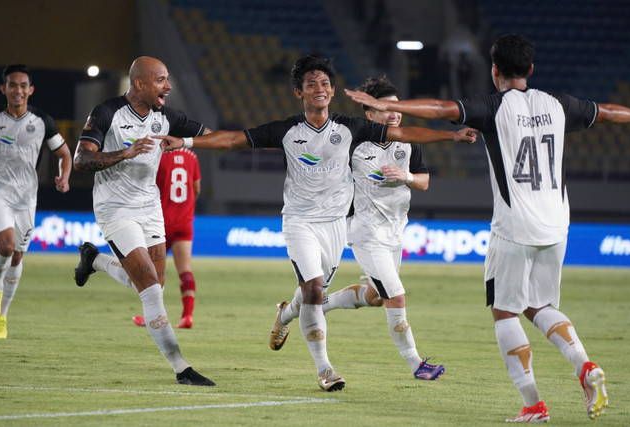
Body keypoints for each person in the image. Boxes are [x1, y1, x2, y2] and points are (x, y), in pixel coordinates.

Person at [345, 33, 630, 421]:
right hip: (558, 223)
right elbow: (610, 112)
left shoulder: (492, 107)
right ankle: (585, 367)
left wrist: (382, 103)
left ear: (494, 69)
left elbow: (440, 107)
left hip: (514, 225)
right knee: (540, 305)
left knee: (505, 312)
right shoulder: (559, 104)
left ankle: (533, 403)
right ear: (531, 69)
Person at [155, 55, 477, 391]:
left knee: (333, 294)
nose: (319, 89)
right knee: (316, 287)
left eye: (324, 83)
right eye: (311, 84)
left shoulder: (350, 128)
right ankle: (326, 369)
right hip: (301, 222)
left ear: (333, 90)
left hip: (336, 225)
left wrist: (451, 138)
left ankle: (286, 313)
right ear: (300, 92)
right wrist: (187, 142)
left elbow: (404, 132)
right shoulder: (287, 130)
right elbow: (233, 140)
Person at [270, 76, 446, 381]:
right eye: (385, 109)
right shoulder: (352, 144)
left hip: (394, 234)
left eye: (396, 109)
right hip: (364, 233)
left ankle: (300, 310)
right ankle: (417, 364)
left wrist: (405, 177)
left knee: (375, 296)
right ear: (369, 114)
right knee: (396, 297)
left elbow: (424, 181)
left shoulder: (407, 143)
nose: (393, 114)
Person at [72, 56, 214, 386]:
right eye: (162, 80)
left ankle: (95, 261)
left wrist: (195, 141)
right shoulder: (107, 112)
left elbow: (211, 136)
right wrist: (124, 152)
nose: (169, 86)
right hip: (115, 209)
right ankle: (182, 369)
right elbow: (81, 159)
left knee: (153, 282)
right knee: (151, 289)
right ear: (140, 84)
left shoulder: (167, 117)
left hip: (151, 209)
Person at [0, 64, 72, 339]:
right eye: (12, 85)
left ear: (31, 90)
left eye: (22, 85)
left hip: (27, 198)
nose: (18, 90)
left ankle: (2, 317)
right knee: (6, 246)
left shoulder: (42, 120)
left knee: (17, 256)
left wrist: (64, 178)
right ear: (3, 89)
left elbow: (65, 154)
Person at [132, 148, 201, 329]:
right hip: (184, 223)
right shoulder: (191, 156)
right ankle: (187, 316)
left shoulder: (159, 155)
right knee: (185, 270)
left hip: (160, 222)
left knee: (152, 273)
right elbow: (196, 188)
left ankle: (153, 317)